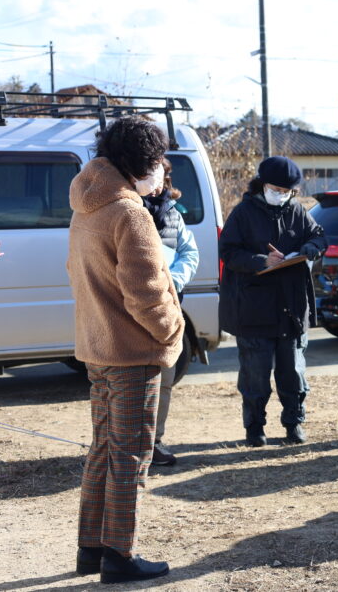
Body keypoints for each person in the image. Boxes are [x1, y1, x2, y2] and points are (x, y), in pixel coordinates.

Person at [68, 117, 185, 584]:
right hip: (132, 353)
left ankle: (91, 548)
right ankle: (119, 554)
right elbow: (147, 293)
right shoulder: (130, 213)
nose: (161, 169)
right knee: (132, 455)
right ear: (142, 162)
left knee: (103, 450)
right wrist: (172, 332)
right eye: (157, 160)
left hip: (97, 348)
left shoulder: (87, 205)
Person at [219, 156, 326, 447]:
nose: (282, 194)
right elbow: (228, 251)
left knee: (293, 372)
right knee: (255, 375)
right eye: (277, 188)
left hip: (291, 307)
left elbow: (319, 236)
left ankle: (294, 424)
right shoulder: (243, 213)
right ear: (263, 185)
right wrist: (259, 260)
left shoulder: (297, 211)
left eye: (288, 190)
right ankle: (255, 428)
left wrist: (309, 249)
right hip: (254, 307)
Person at [142, 157, 199, 467]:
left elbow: (190, 253)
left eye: (162, 174)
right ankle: (123, 444)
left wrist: (171, 279)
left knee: (164, 380)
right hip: (133, 311)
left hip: (168, 307)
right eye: (151, 173)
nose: (157, 181)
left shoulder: (174, 214)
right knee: (130, 384)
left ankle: (154, 442)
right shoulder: (124, 209)